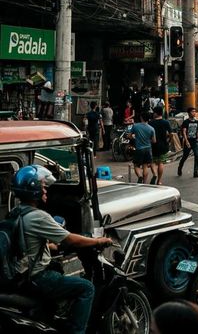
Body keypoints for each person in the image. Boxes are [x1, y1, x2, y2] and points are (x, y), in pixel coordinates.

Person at [11, 164, 112, 334]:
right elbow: (70, 239)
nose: (45, 191)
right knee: (86, 288)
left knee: (58, 268)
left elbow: (27, 245)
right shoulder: (38, 216)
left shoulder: (16, 212)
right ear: (33, 189)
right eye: (43, 187)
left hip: (21, 274)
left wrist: (48, 246)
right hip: (38, 276)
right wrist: (98, 241)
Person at [130, 111, 156, 183]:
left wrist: (135, 138)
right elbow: (154, 141)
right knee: (145, 166)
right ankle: (144, 183)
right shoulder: (151, 128)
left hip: (139, 149)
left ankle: (140, 176)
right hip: (148, 149)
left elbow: (130, 136)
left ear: (141, 117)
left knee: (136, 165)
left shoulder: (135, 126)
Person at [149, 106, 171, 185]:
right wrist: (168, 140)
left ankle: (154, 174)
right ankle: (159, 180)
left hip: (153, 145)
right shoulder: (166, 122)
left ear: (155, 113)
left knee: (152, 162)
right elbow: (171, 133)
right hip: (163, 145)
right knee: (161, 163)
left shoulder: (151, 122)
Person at [178, 106, 198, 178]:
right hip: (188, 141)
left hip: (195, 141)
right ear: (188, 113)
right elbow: (184, 132)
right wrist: (186, 141)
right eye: (192, 111)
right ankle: (179, 168)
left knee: (197, 156)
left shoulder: (197, 122)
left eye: (194, 111)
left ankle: (195, 172)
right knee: (185, 156)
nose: (194, 113)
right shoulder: (186, 122)